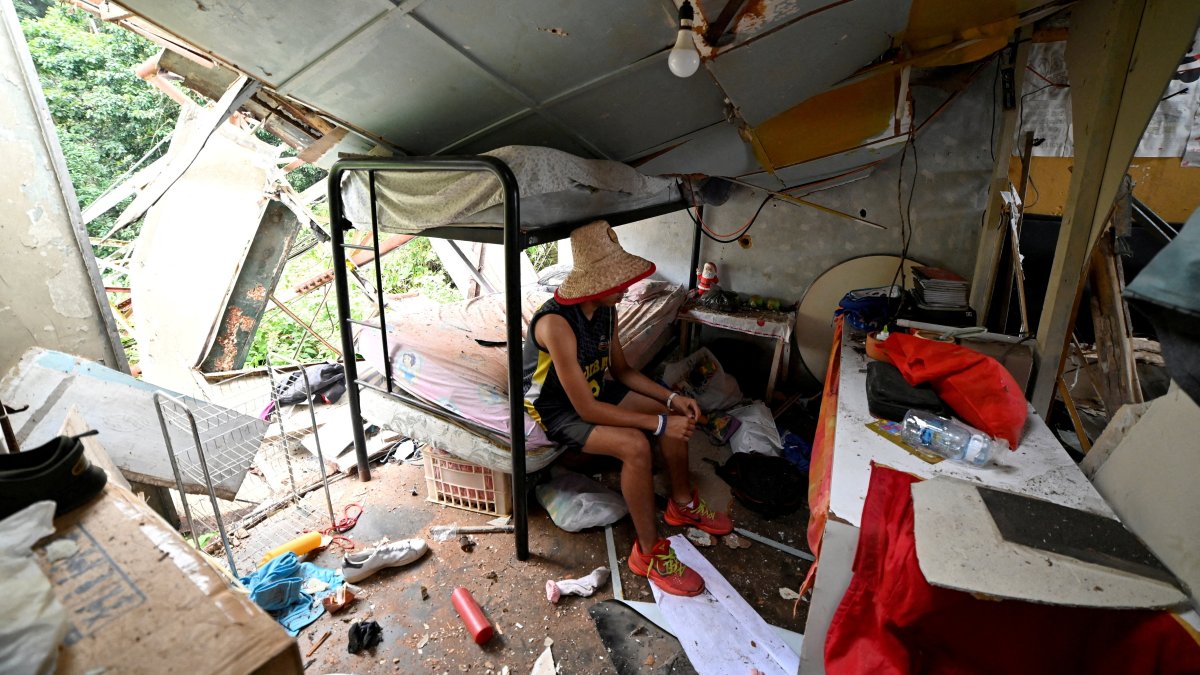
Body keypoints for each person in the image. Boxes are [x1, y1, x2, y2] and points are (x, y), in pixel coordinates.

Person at [523, 221, 732, 597]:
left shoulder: (606, 312)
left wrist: (670, 400)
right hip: (559, 409)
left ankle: (681, 503)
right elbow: (585, 408)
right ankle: (648, 553)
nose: (625, 287)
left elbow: (620, 371)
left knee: (674, 414)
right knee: (636, 445)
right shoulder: (555, 323)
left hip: (593, 390)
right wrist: (656, 424)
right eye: (617, 281)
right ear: (594, 284)